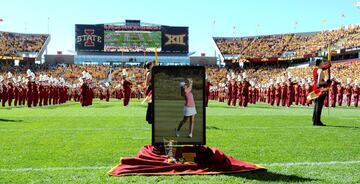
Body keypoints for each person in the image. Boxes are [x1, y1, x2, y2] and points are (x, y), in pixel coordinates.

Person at [312, 59, 331, 126]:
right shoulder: (320, 70)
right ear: (320, 63)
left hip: (315, 88)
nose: (323, 63)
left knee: (316, 105)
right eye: (322, 62)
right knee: (319, 105)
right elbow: (319, 83)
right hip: (320, 89)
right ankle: (317, 121)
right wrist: (327, 82)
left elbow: (324, 68)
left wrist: (328, 66)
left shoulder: (315, 69)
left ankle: (315, 120)